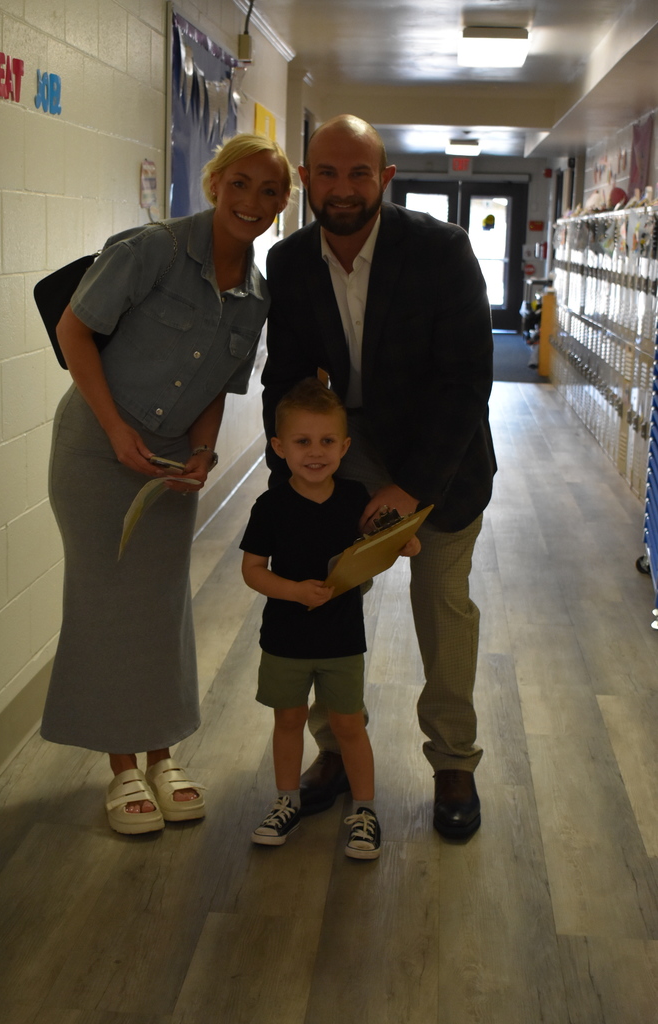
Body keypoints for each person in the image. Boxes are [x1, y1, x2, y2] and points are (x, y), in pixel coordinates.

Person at [41, 134, 293, 835]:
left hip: (172, 464)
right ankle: (122, 767)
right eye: (240, 183)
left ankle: (163, 753)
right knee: (105, 604)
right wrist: (119, 432)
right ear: (214, 183)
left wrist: (205, 454)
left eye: (270, 192)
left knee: (159, 603)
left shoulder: (254, 298)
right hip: (96, 452)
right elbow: (75, 332)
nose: (252, 202)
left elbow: (213, 387)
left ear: (281, 204)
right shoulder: (150, 249)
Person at [262, 115, 497, 840]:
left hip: (442, 454)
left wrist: (413, 487)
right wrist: (292, 466)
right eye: (326, 173)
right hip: (344, 445)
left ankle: (452, 760)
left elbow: (466, 379)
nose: (341, 188)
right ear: (306, 180)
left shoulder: (440, 250)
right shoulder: (292, 261)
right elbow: (289, 374)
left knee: (442, 605)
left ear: (384, 180)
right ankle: (335, 752)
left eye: (358, 173)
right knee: (325, 593)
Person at [240, 378, 419, 859]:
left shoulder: (354, 498)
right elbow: (252, 570)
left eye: (326, 442)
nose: (315, 453)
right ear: (279, 447)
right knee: (288, 720)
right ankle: (286, 802)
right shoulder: (270, 506)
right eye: (302, 442)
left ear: (345, 446)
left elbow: (383, 543)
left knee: (348, 726)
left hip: (342, 640)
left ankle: (364, 810)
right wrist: (294, 591)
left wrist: (404, 541)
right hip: (285, 639)